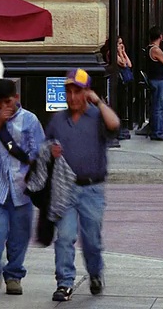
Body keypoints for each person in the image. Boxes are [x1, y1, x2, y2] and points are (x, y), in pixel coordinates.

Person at [46, 69, 120, 301]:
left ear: (86, 92)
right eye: (68, 92)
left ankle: (95, 273)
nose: (72, 97)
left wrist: (98, 101)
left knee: (92, 240)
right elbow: (43, 148)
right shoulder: (58, 120)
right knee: (65, 236)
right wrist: (50, 152)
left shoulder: (97, 116)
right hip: (65, 188)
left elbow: (115, 124)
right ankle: (65, 282)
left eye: (77, 92)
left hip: (92, 189)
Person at [0, 79, 45, 295]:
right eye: (0, 102)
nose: (5, 106)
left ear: (16, 98)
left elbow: (38, 152)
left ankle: (14, 275)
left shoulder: (30, 120)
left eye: (9, 101)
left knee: (19, 236)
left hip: (21, 187)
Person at [146, 26, 163, 141]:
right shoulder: (156, 50)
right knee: (159, 106)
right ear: (160, 37)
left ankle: (155, 129)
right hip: (158, 80)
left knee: (157, 105)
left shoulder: (149, 48)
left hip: (154, 79)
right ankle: (158, 131)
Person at [116, 37, 133, 140]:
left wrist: (124, 52)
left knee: (123, 105)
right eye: (119, 43)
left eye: (122, 43)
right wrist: (120, 52)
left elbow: (129, 64)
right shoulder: (113, 54)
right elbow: (122, 63)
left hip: (124, 82)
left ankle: (122, 128)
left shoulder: (121, 52)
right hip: (118, 82)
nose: (121, 45)